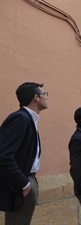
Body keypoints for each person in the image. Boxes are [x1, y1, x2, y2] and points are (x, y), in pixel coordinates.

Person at [0, 82, 48, 225]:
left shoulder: (29, 119)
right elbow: (3, 155)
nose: (47, 97)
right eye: (45, 94)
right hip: (21, 183)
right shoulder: (21, 118)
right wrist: (24, 183)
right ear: (36, 98)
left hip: (28, 180)